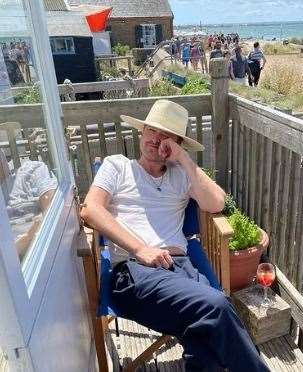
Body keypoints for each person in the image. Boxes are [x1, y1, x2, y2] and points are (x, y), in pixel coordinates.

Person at [81, 100, 270, 372]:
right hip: (136, 272)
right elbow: (91, 210)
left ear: (177, 143)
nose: (156, 138)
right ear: (141, 132)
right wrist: (140, 248)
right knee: (216, 305)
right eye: (151, 130)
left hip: (182, 269)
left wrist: (182, 158)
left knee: (204, 338)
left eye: (166, 135)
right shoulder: (118, 166)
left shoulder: (182, 176)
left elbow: (218, 204)